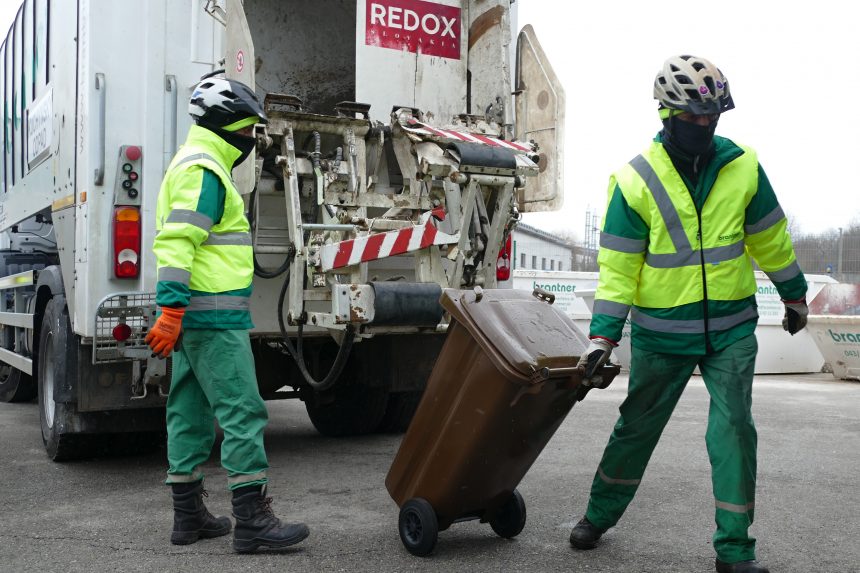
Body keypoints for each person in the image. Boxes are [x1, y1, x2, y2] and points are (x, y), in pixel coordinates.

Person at [570, 55, 808, 573]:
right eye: (693, 117)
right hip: (660, 337)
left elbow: (769, 238)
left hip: (730, 331)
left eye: (712, 117)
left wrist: (795, 295)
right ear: (665, 112)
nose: (704, 125)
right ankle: (597, 515)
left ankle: (735, 551)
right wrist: (602, 339)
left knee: (734, 430)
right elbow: (619, 272)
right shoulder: (634, 181)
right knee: (636, 429)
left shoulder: (743, 164)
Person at [146, 75, 310, 553]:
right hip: (212, 319)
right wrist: (171, 310)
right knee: (242, 411)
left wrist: (176, 313)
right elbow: (178, 243)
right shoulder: (206, 173)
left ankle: (188, 517)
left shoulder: (190, 163)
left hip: (193, 320)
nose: (250, 141)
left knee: (188, 411)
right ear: (227, 127)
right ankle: (253, 521)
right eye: (247, 131)